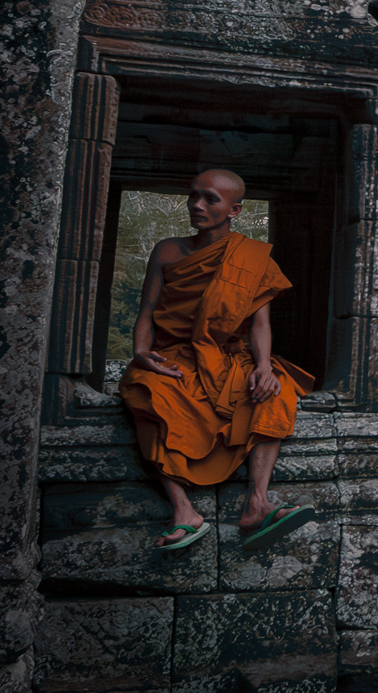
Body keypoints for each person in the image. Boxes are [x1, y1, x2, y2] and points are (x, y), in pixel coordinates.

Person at [119, 169, 317, 551]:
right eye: (193, 196)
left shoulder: (251, 257)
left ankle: (257, 503)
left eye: (210, 199)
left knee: (275, 391)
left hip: (230, 357)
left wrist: (262, 367)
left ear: (235, 210)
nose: (196, 205)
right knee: (145, 393)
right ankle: (183, 511)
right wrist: (141, 353)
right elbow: (147, 311)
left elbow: (261, 324)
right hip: (175, 355)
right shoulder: (167, 250)